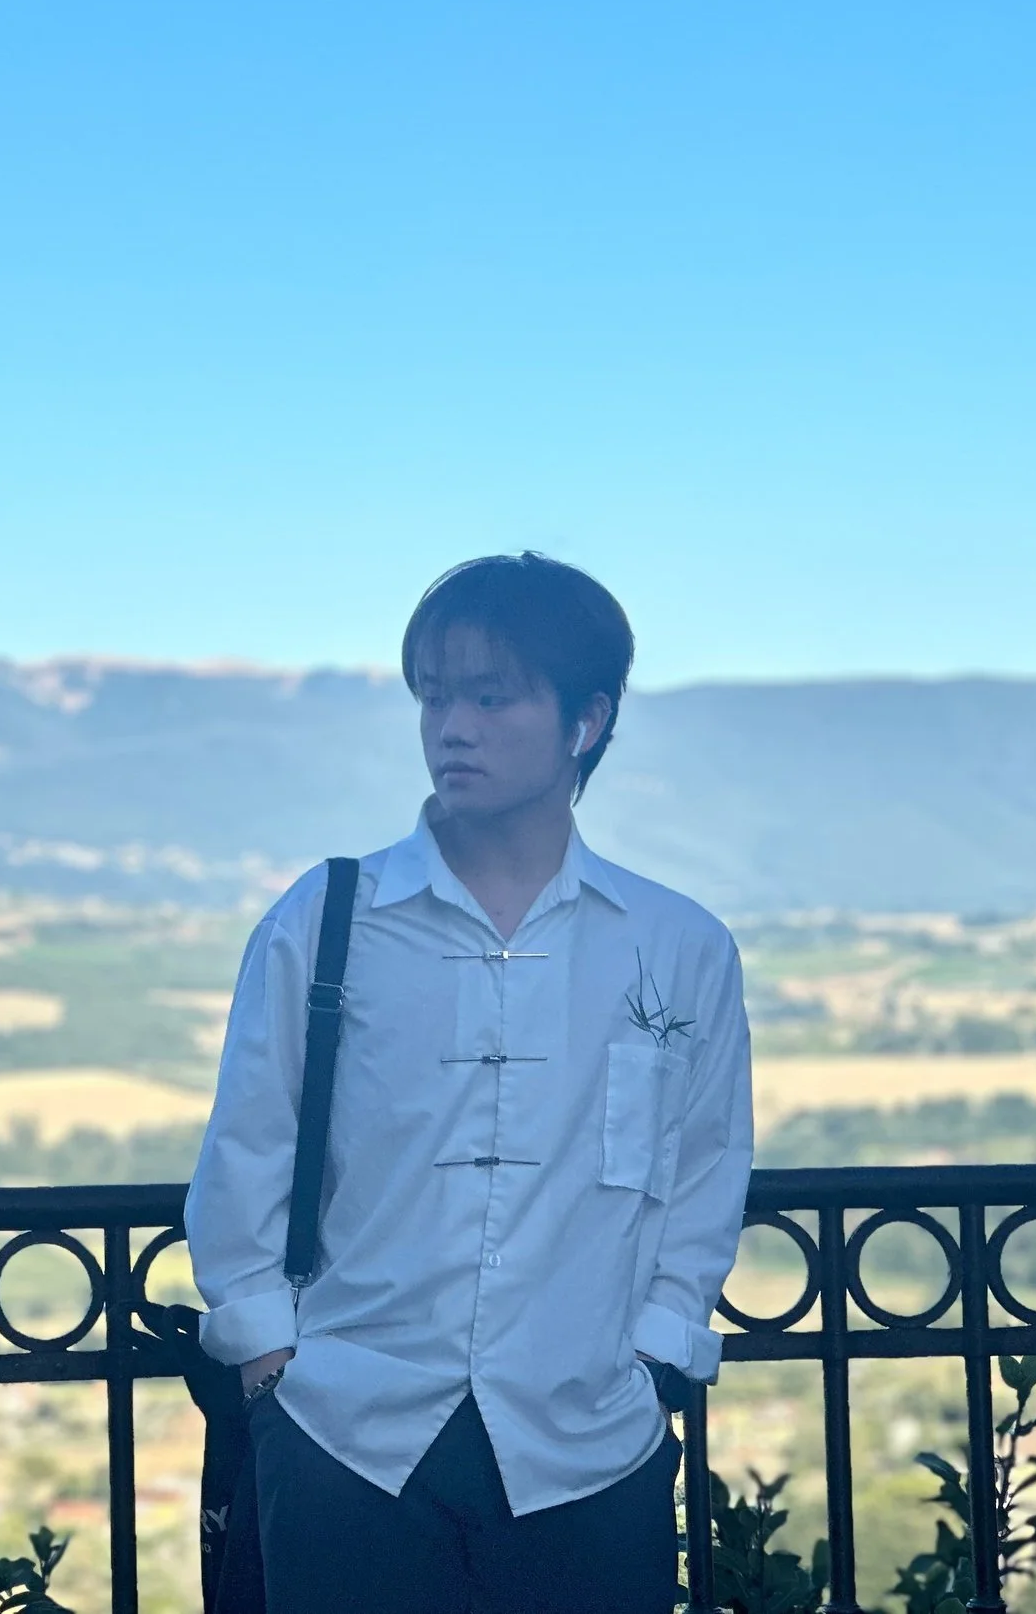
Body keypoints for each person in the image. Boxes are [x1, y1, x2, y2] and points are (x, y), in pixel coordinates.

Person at [185, 553, 754, 1613]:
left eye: (491, 697)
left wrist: (658, 1359)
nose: (452, 726)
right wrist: (270, 1363)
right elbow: (248, 1144)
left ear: (585, 722)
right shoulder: (325, 919)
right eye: (435, 695)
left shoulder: (676, 947)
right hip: (343, 1436)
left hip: (588, 1445)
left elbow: (704, 1166)